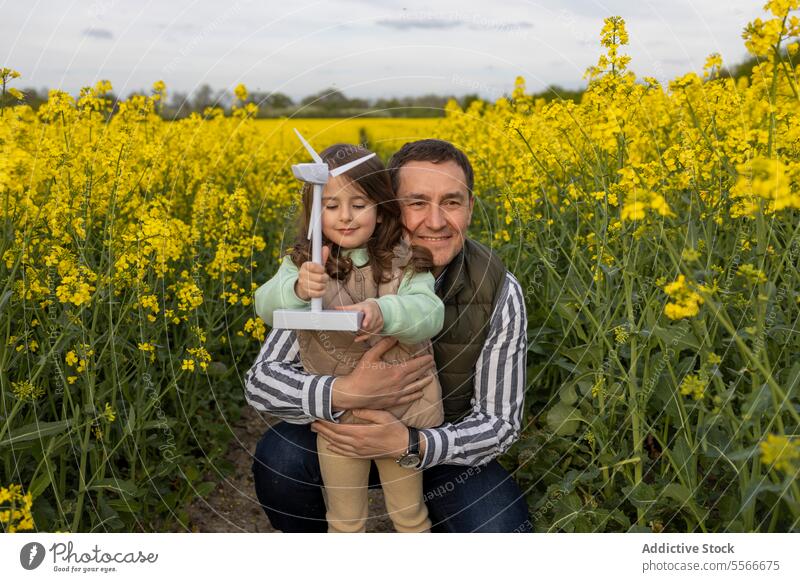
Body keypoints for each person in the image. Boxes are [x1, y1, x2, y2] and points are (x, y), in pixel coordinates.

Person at [245, 139, 531, 533]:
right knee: (281, 459)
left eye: (451, 202)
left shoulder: (497, 288)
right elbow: (261, 382)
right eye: (416, 203)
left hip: (439, 454)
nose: (435, 221)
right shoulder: (326, 266)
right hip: (343, 435)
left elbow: (500, 425)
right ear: (387, 208)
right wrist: (344, 393)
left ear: (469, 209)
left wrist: (411, 443)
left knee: (499, 532)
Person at [253, 143, 445, 533]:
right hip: (337, 421)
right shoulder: (303, 266)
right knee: (343, 521)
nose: (345, 217)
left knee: (410, 517)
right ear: (314, 212)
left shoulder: (405, 260)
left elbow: (430, 314)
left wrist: (384, 311)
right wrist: (298, 291)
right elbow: (265, 305)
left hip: (402, 419)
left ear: (380, 206)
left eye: (359, 204)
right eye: (331, 205)